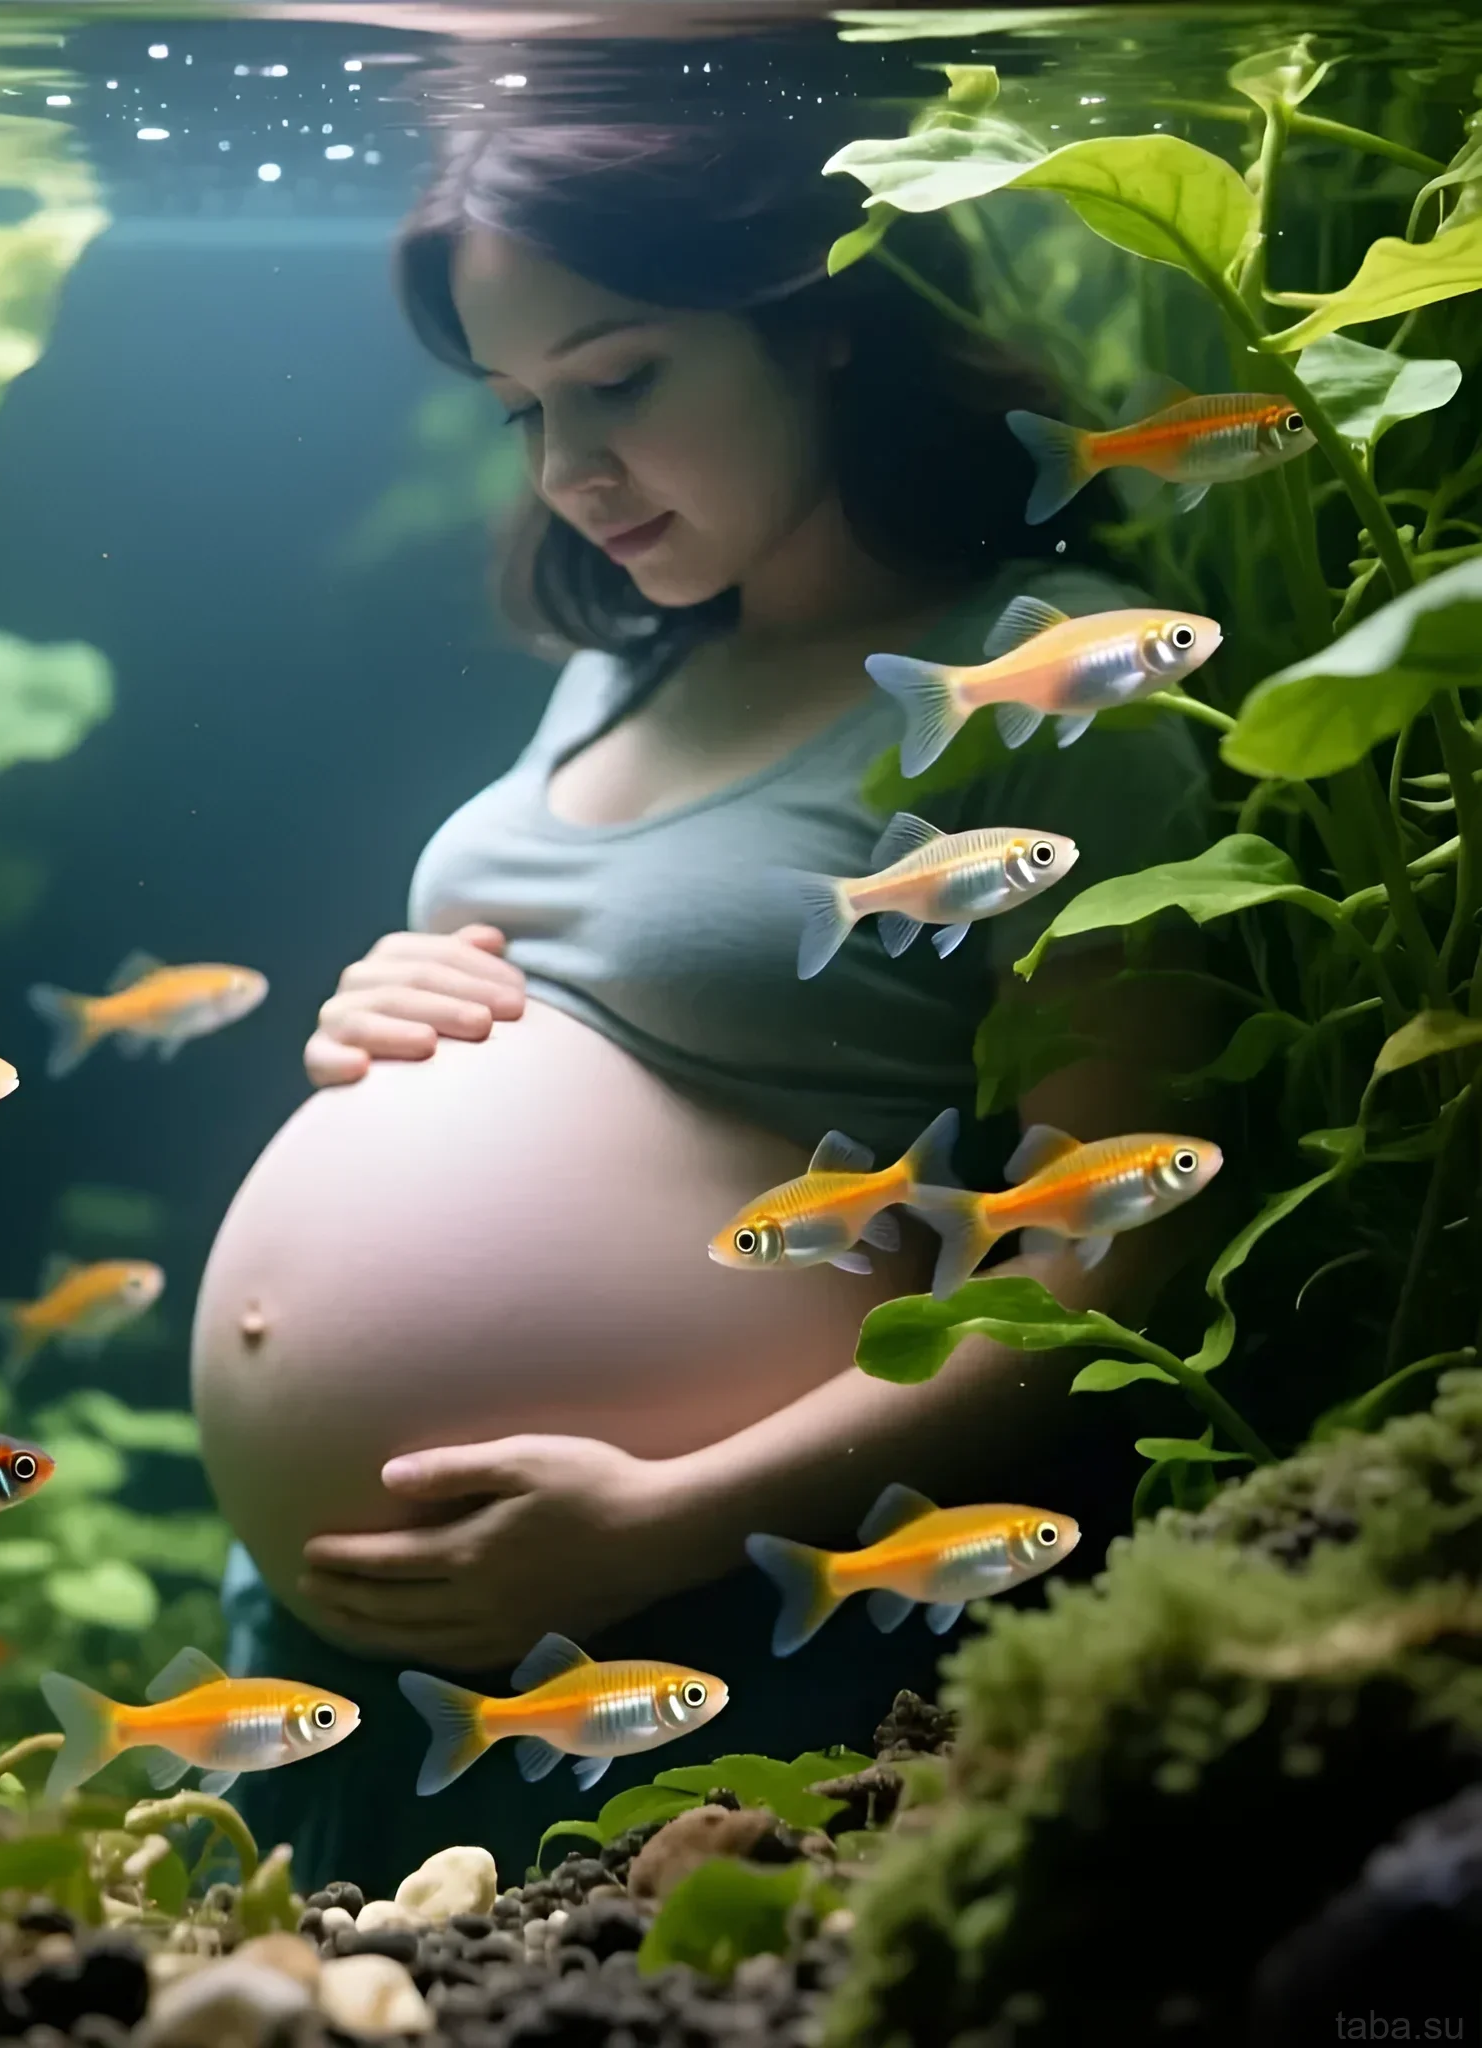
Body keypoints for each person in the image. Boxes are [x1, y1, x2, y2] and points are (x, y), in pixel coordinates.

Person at [189, 112, 1212, 1894]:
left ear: (815, 316)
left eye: (622, 378)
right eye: (525, 409)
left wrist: (664, 1525)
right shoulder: (620, 663)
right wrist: (380, 1013)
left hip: (711, 1645)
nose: (571, 465)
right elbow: (577, 991)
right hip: (341, 1660)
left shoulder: (1051, 671)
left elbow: (1108, 1265)